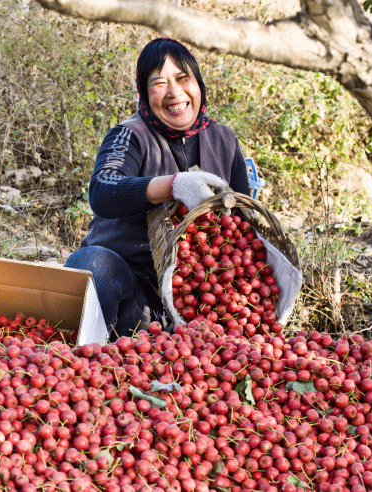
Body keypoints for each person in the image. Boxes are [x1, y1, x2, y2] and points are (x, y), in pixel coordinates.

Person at [64, 38, 250, 341]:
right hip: (135, 296)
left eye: (182, 79)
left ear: (198, 83)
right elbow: (102, 189)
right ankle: (83, 355)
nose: (174, 93)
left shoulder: (223, 140)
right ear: (144, 92)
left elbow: (244, 224)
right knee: (92, 264)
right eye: (159, 83)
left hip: (202, 301)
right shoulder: (130, 135)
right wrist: (173, 185)